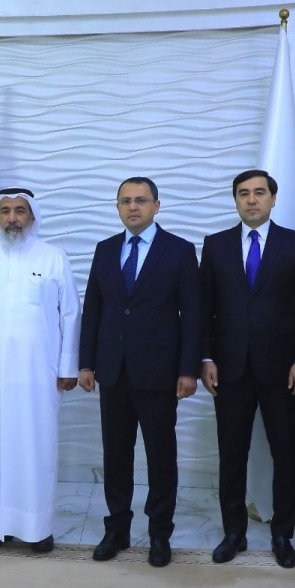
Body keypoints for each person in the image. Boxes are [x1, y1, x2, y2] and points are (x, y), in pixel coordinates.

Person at [78, 176, 201, 568]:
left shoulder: (179, 252)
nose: (134, 207)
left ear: (156, 206)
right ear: (117, 207)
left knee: (161, 456)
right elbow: (93, 310)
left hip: (160, 373)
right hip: (112, 372)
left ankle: (159, 534)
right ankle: (116, 529)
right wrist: (86, 363)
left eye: (141, 201)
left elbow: (193, 314)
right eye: (126, 201)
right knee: (116, 455)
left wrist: (188, 370)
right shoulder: (105, 249)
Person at [199, 169, 295, 569]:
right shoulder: (215, 246)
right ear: (235, 200)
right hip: (229, 368)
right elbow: (203, 308)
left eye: (259, 193)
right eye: (243, 193)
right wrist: (206, 358)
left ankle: (282, 533)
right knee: (232, 453)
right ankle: (234, 532)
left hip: (284, 368)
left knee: (287, 453)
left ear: (273, 199)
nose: (252, 199)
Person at [0, 187, 80, 553]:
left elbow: (70, 315)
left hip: (39, 372)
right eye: (5, 211)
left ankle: (37, 528)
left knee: (35, 445)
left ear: (32, 216)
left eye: (20, 211)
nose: (12, 218)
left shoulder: (53, 257)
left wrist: (68, 366)